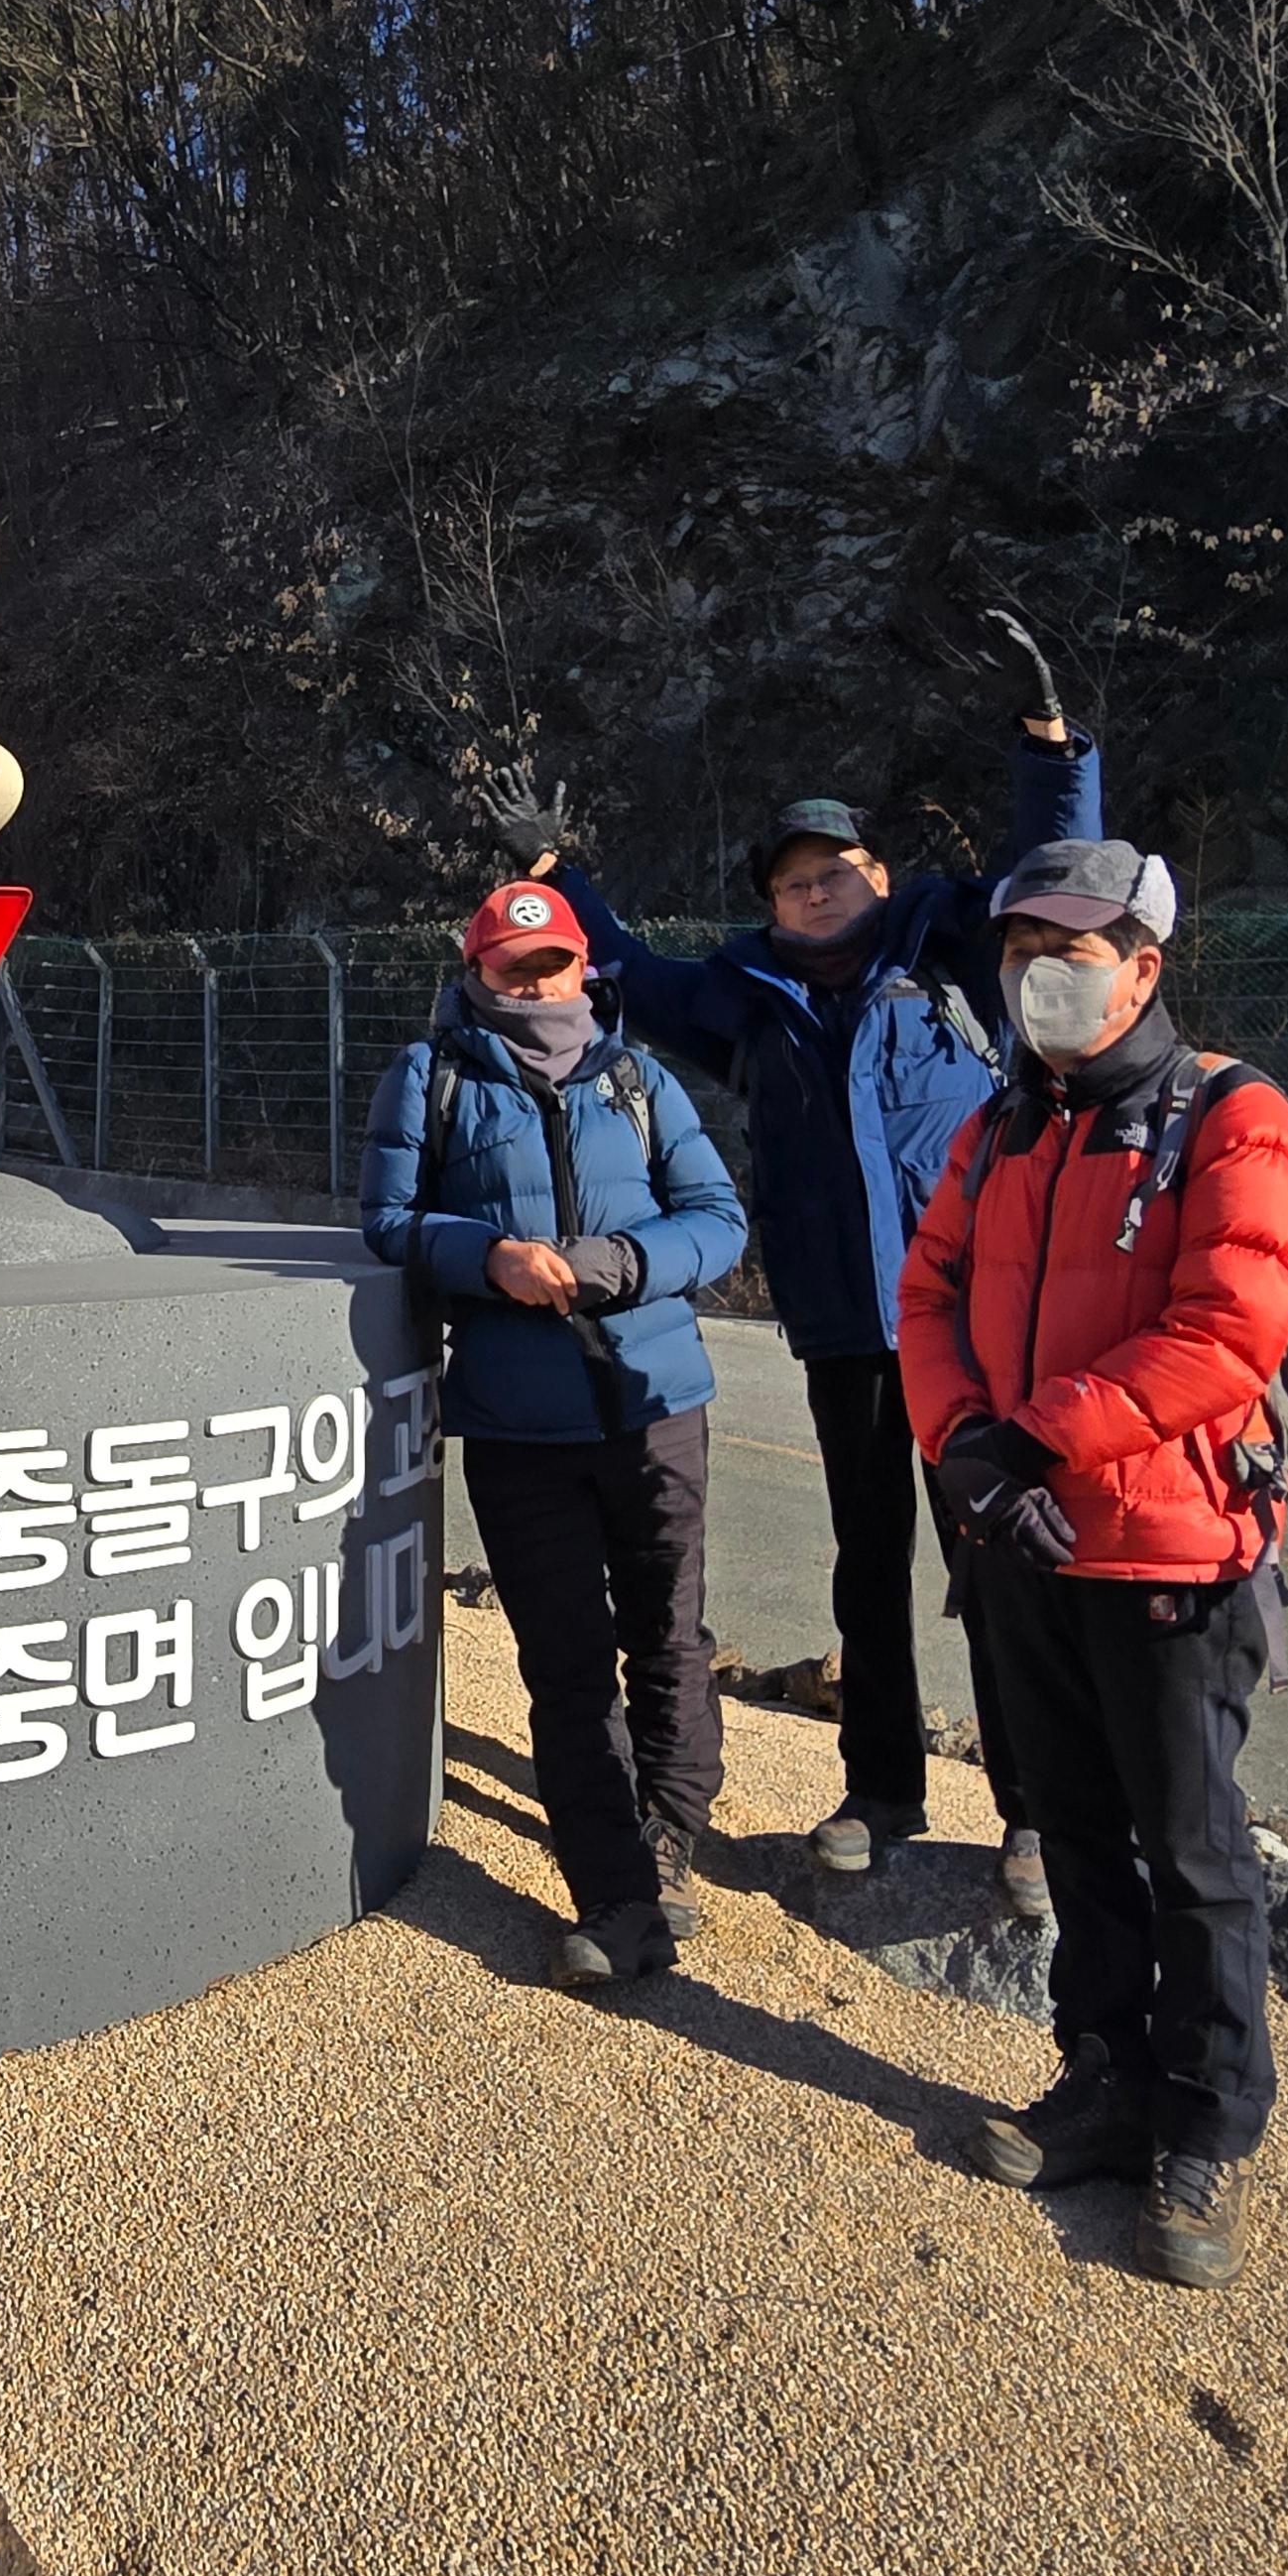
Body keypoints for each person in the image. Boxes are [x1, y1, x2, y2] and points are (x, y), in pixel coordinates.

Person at [495, 683, 1101, 1908]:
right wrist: (557, 876)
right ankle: (882, 1791)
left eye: (832, 873)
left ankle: (1037, 1813)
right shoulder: (747, 995)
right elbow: (625, 971)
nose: (813, 894)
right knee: (866, 1565)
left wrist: (1053, 759)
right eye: (790, 883)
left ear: (880, 876)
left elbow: (1055, 882)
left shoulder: (949, 950)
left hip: (973, 1325)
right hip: (841, 1326)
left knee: (998, 1567)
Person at [896, 839, 1288, 2291]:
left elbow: (1225, 1333)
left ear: (1143, 966)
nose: (1039, 976)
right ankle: (1103, 2074)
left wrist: (1025, 1444)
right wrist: (963, 1445)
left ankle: (1203, 2128)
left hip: (1167, 1551)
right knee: (1074, 1831)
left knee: (1194, 1852)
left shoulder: (1235, 1118)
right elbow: (928, 1292)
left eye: (1070, 951)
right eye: (1020, 950)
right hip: (1023, 1541)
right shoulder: (1001, 1124)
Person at [360, 877, 749, 1991]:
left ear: (585, 966)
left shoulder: (638, 1079)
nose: (535, 984)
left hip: (656, 1404)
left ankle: (672, 1828)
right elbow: (387, 1222)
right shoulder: (430, 1076)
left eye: (554, 963)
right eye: (512, 966)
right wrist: (485, 1256)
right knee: (567, 1661)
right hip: (517, 1421)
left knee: (669, 1634)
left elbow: (718, 1219)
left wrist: (622, 1264)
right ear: (475, 971)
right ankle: (613, 1888)